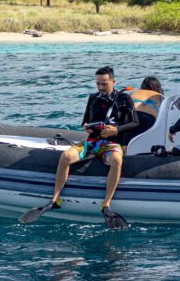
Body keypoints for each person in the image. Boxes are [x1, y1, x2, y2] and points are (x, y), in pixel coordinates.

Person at [20, 65, 138, 229]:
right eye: (98, 84)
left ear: (113, 82)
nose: (100, 87)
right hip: (91, 142)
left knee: (117, 160)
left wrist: (116, 129)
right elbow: (84, 122)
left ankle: (106, 204)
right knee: (66, 156)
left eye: (104, 84)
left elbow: (135, 123)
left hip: (110, 144)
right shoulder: (93, 98)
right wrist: (87, 127)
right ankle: (55, 199)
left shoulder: (124, 98)